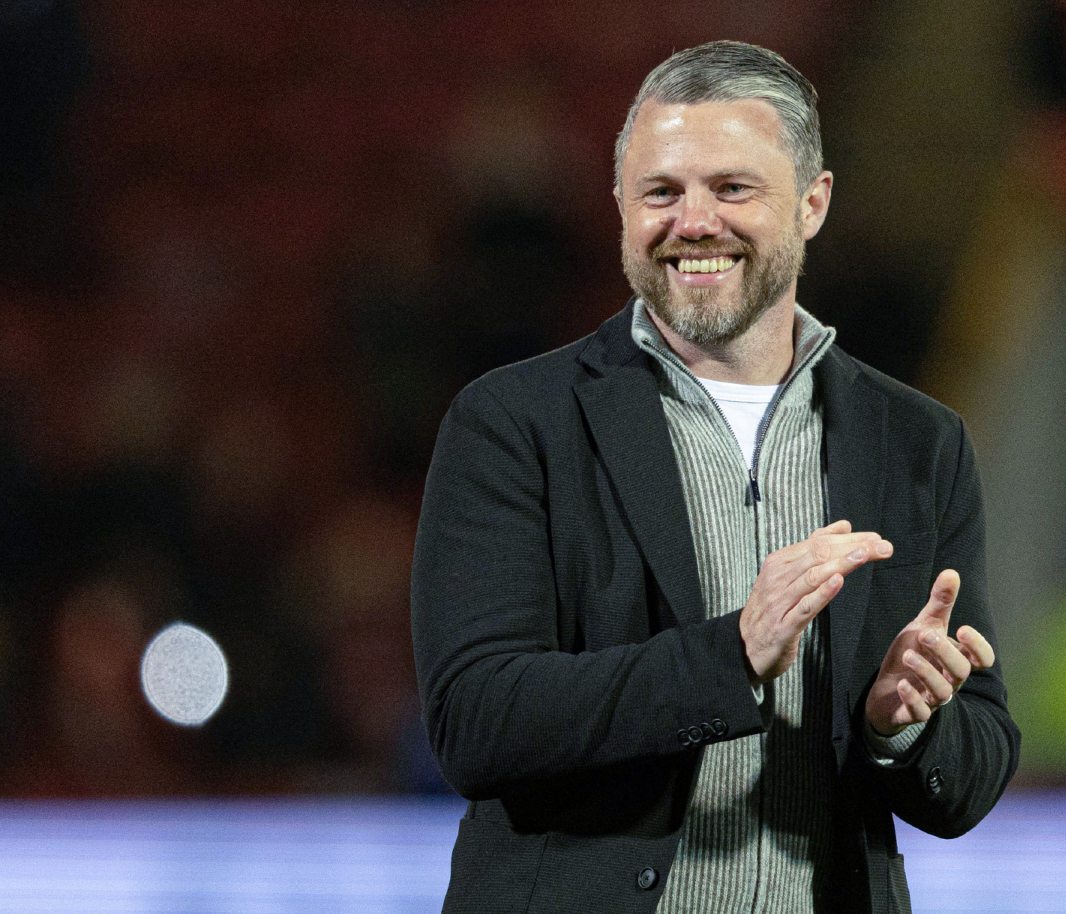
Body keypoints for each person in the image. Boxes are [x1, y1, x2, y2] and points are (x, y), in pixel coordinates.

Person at [410, 40, 1020, 914]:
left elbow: (973, 776)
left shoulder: (918, 442)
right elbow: (477, 722)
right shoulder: (512, 423)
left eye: (732, 188)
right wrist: (732, 653)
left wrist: (904, 724)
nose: (693, 222)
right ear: (620, 206)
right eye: (661, 192)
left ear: (813, 204)